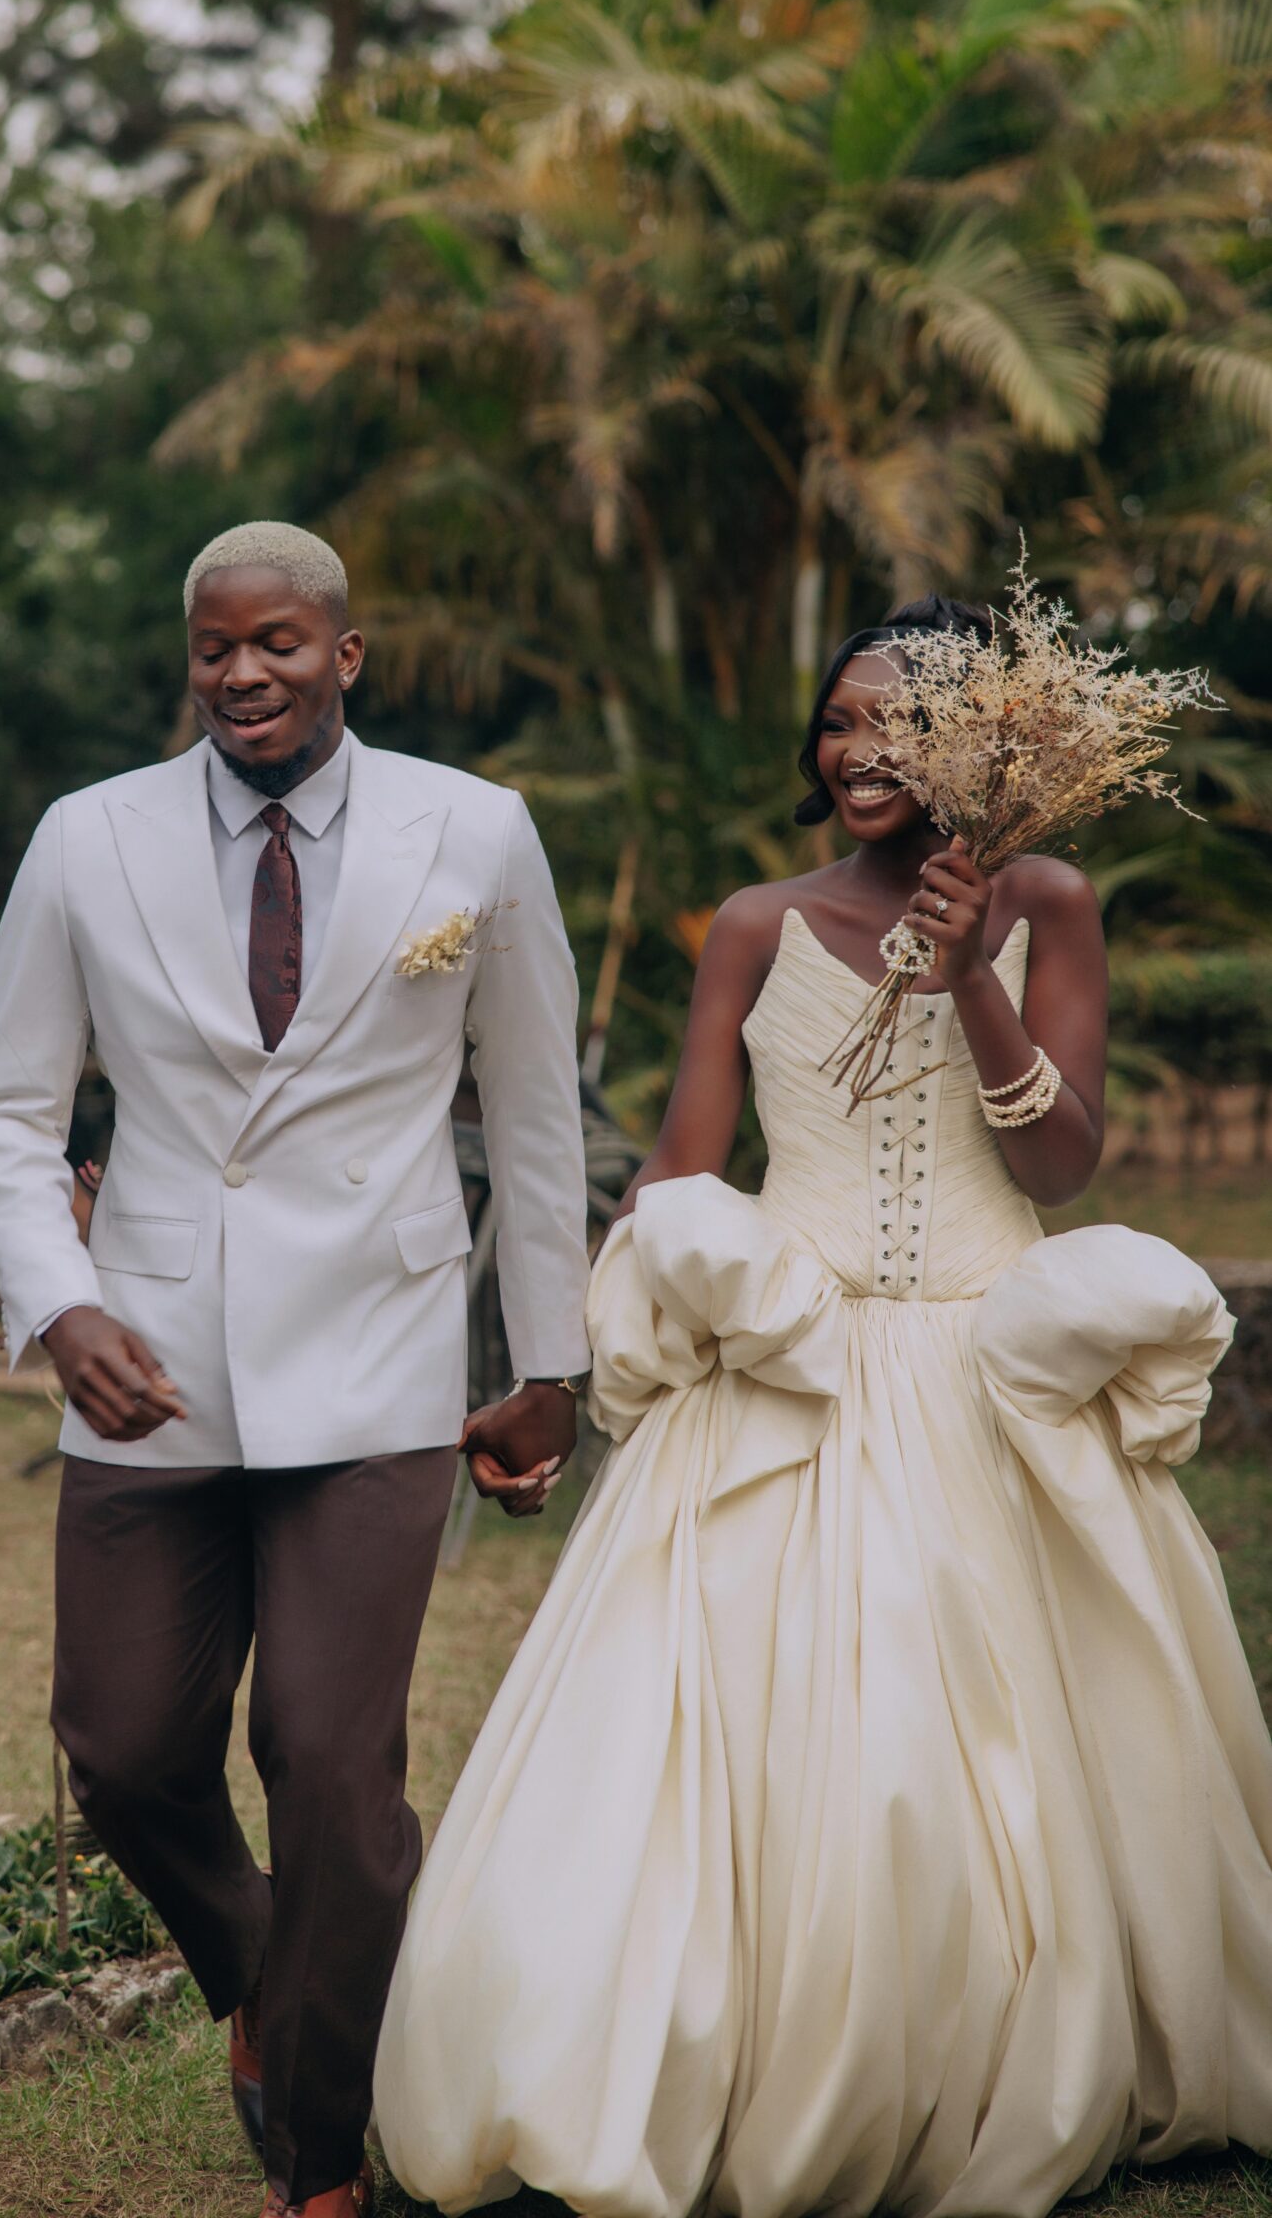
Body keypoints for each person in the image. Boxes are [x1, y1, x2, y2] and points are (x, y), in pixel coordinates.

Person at [374, 596, 1272, 2218]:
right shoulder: (753, 924)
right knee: (709, 1749)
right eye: (842, 720)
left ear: (983, 747)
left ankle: (991, 2059)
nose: (860, 751)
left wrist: (970, 973)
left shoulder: (1048, 903)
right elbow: (680, 1168)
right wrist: (579, 1362)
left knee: (989, 1750)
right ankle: (677, 2069)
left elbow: (1064, 1160)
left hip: (991, 1371)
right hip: (785, 1369)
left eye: (902, 724)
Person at [0, 520, 591, 2218]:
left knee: (327, 1763)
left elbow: (532, 1116)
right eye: (214, 647)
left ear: (345, 653)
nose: (243, 673)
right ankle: (268, 1969)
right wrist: (63, 1307)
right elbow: (10, 1116)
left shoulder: (477, 829)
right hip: (150, 1362)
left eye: (279, 643)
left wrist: (551, 1362)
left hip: (381, 1362)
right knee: (123, 1750)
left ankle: (319, 2165)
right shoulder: (87, 838)